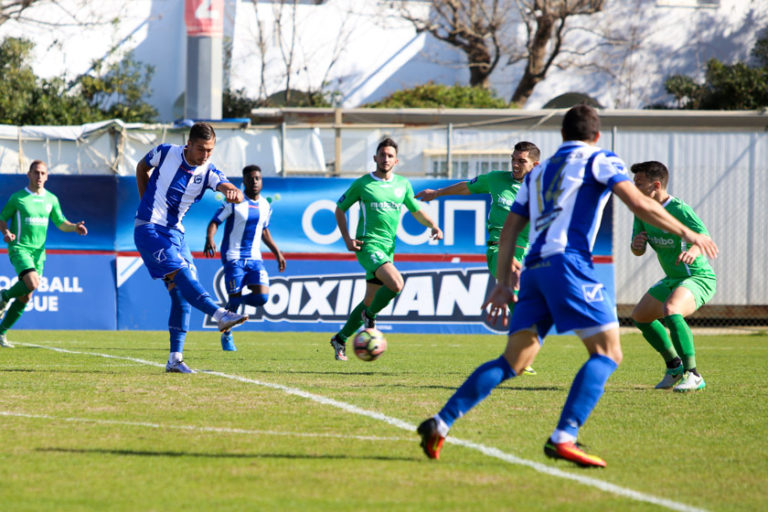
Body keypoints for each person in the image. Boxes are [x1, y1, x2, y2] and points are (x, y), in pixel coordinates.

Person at [416, 105, 718, 467]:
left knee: (513, 361)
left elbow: (511, 228)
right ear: (596, 135)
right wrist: (689, 233)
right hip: (569, 265)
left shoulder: (538, 172)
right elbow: (638, 202)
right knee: (608, 353)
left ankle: (441, 421)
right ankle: (564, 435)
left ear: (562, 135)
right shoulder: (601, 160)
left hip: (534, 270)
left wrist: (500, 282)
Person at [415, 141, 541, 375]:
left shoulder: (542, 191)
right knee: (516, 282)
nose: (515, 164)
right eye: (513, 159)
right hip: (499, 249)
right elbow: (466, 188)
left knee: (525, 301)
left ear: (535, 165)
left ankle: (522, 351)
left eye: (521, 161)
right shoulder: (496, 179)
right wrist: (437, 193)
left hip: (528, 252)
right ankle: (520, 352)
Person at [134, 121, 248, 373]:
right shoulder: (165, 152)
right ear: (188, 145)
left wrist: (234, 193)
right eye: (200, 149)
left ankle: (175, 359)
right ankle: (220, 315)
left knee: (181, 293)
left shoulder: (208, 171)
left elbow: (229, 187)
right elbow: (142, 166)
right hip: (149, 228)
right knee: (181, 274)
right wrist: (145, 202)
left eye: (210, 150)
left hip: (176, 234)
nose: (205, 155)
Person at [329, 137, 443, 361]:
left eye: (390, 155)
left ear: (396, 160)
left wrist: (433, 225)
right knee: (396, 283)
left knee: (370, 299)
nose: (385, 159)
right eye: (382, 155)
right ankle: (369, 316)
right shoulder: (363, 183)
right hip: (368, 245)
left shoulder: (402, 184)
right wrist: (347, 239)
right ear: (375, 158)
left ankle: (340, 339)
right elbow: (339, 209)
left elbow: (416, 210)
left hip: (388, 249)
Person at [629, 161, 716, 392]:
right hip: (673, 278)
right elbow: (637, 250)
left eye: (639, 183)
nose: (633, 187)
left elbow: (703, 238)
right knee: (640, 316)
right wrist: (637, 245)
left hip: (697, 277)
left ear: (656, 185)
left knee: (671, 309)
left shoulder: (679, 210)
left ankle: (693, 374)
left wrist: (693, 251)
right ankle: (674, 366)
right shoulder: (642, 211)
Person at [0, 160, 88, 347]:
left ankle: (1, 332)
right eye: (36, 172)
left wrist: (75, 228)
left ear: (47, 177)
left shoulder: (51, 199)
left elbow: (60, 222)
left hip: (39, 254)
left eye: (42, 173)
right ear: (29, 174)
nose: (39, 176)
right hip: (20, 248)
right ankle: (4, 296)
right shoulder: (18, 198)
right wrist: (6, 233)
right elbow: (2, 218)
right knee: (32, 282)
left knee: (27, 295)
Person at [204, 164, 286, 352]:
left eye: (257, 178)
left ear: (261, 181)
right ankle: (227, 335)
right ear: (244, 182)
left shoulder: (266, 205)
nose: (255, 182)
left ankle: (232, 306)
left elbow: (264, 231)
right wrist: (210, 238)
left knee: (262, 297)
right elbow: (215, 222)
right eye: (250, 179)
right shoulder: (234, 201)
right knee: (235, 294)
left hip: (255, 258)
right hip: (233, 257)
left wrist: (277, 252)